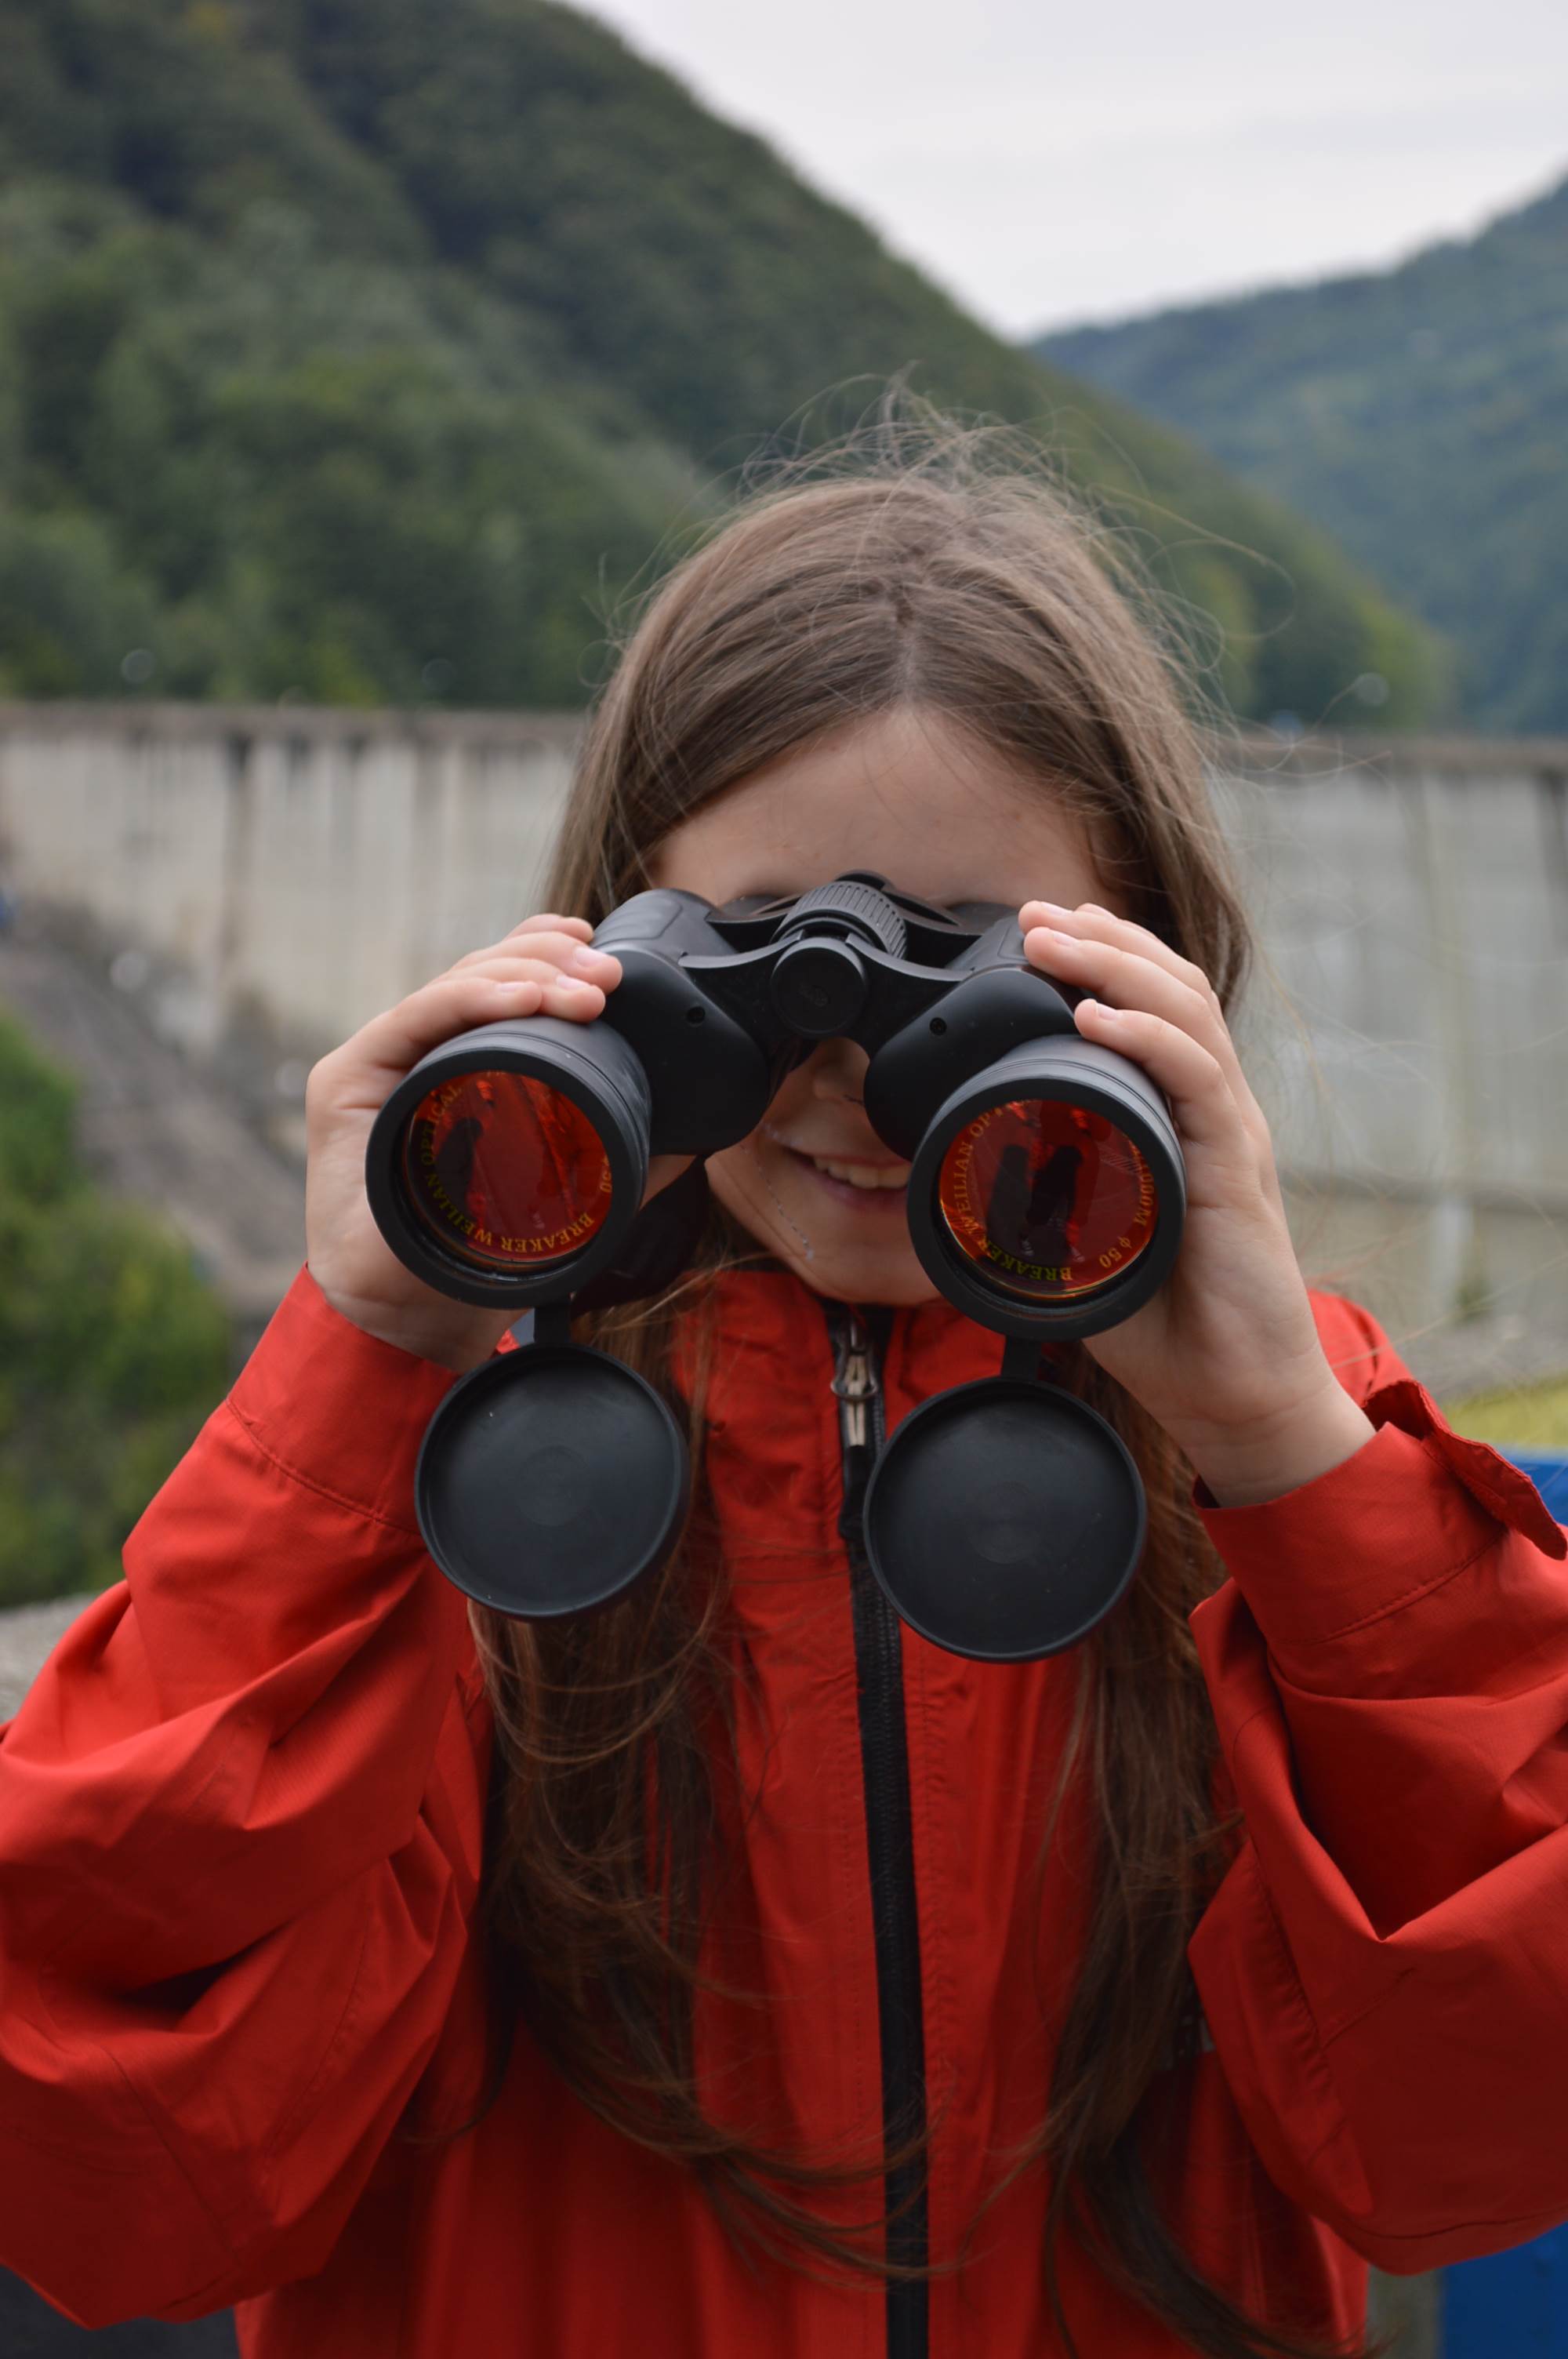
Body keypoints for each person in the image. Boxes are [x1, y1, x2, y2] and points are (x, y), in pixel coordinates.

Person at [3, 414, 1567, 2359]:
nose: (857, 1080)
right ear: (603, 952)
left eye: (974, 982)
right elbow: (115, 2171)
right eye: (742, 959)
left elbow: (1488, 2140)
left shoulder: (1281, 1471)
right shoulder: (456, 1499)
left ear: (1150, 971)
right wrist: (362, 1370)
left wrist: (1290, 1456)